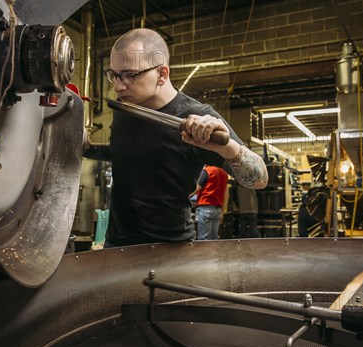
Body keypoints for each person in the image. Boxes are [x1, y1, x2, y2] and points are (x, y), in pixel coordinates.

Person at [83, 28, 268, 247]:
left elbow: (260, 179)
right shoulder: (126, 106)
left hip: (171, 249)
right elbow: (130, 153)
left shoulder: (197, 116)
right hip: (117, 246)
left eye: (130, 75)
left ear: (162, 74)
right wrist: (88, 148)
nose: (118, 86)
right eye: (114, 75)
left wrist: (226, 147)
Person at [189, 165, 229, 240]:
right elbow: (226, 195)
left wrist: (186, 196)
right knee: (215, 238)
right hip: (218, 210)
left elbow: (196, 188)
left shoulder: (207, 171)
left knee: (204, 239)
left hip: (205, 208)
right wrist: (223, 212)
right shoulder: (224, 173)